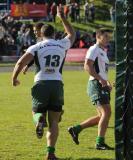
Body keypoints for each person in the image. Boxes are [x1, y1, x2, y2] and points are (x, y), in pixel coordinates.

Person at [12, 6, 75, 160]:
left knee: (36, 112)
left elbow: (20, 62)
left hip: (40, 83)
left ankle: (39, 118)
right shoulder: (61, 44)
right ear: (54, 34)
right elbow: (72, 34)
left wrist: (14, 78)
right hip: (57, 84)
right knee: (54, 120)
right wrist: (62, 17)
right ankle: (51, 153)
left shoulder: (36, 46)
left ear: (41, 34)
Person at [68, 28, 114, 150]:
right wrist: (100, 79)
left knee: (101, 116)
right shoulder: (94, 49)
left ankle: (76, 129)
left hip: (100, 84)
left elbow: (103, 72)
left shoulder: (102, 51)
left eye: (109, 37)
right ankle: (100, 143)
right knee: (107, 113)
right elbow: (87, 66)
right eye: (106, 37)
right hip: (95, 84)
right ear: (98, 37)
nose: (108, 39)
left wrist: (107, 82)